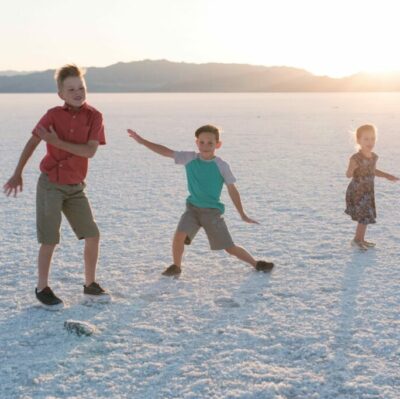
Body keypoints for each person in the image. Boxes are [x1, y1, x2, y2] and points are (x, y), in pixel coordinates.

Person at [3, 64, 109, 307]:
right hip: (50, 184)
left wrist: (56, 141)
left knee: (92, 234)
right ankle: (42, 288)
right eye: (71, 88)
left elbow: (90, 151)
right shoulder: (52, 115)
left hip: (76, 187)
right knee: (49, 239)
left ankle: (90, 285)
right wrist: (18, 172)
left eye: (81, 87)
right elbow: (32, 143)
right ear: (61, 93)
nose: (77, 92)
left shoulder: (95, 116)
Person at [127, 124, 274, 275]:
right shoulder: (189, 158)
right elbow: (166, 151)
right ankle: (176, 267)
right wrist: (142, 141)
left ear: (218, 144)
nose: (205, 146)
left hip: (212, 213)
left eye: (210, 143)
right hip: (192, 209)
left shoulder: (221, 166)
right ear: (196, 142)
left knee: (229, 247)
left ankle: (257, 264)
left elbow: (232, 190)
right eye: (202, 142)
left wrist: (242, 214)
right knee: (179, 236)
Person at [345, 124, 398, 250]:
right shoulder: (355, 158)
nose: (370, 142)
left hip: (368, 191)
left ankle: (360, 239)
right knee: (363, 216)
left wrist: (387, 175)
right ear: (359, 140)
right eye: (366, 139)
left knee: (366, 216)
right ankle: (357, 240)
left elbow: (372, 170)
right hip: (357, 191)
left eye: (372, 138)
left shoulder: (373, 157)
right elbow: (348, 175)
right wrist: (352, 168)